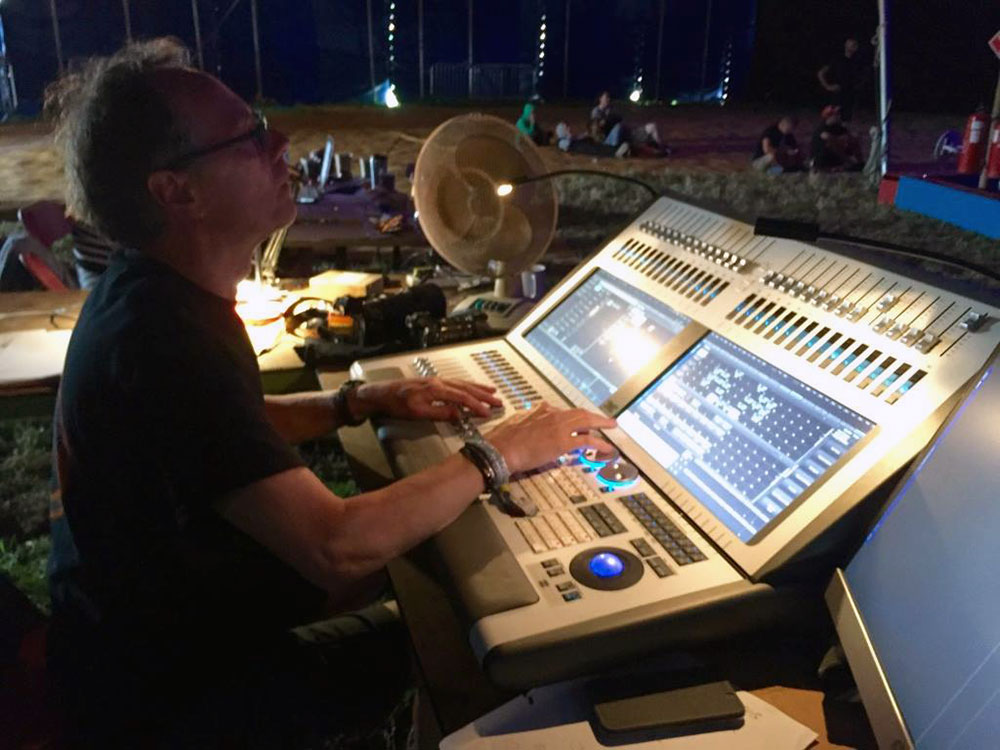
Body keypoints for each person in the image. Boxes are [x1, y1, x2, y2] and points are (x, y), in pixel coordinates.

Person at [44, 38, 617, 748]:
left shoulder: (152, 295)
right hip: (166, 701)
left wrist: (355, 404)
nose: (279, 141)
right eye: (249, 137)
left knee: (430, 573)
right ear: (176, 191)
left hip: (142, 645)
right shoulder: (164, 340)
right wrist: (496, 455)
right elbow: (338, 547)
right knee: (453, 638)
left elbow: (223, 430)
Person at [817, 37, 864, 123]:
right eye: (852, 45)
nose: (854, 47)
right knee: (832, 119)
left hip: (850, 94)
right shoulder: (837, 59)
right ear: (846, 46)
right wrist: (827, 86)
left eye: (855, 45)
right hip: (837, 94)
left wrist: (858, 86)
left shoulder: (857, 61)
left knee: (846, 120)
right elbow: (821, 73)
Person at [810, 105, 863, 172]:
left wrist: (851, 138)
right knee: (831, 143)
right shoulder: (822, 127)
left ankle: (860, 163)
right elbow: (826, 136)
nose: (839, 116)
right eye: (836, 114)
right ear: (829, 117)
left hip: (835, 157)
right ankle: (850, 163)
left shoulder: (838, 127)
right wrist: (840, 140)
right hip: (822, 158)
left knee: (853, 140)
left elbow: (850, 136)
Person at [590, 90, 629, 154]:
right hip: (602, 139)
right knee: (618, 127)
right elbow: (597, 126)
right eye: (606, 98)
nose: (608, 99)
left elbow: (619, 118)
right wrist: (608, 119)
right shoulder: (596, 111)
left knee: (621, 126)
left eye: (608, 98)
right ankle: (614, 148)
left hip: (609, 135)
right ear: (600, 99)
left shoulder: (609, 110)